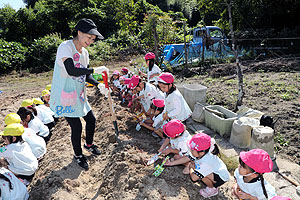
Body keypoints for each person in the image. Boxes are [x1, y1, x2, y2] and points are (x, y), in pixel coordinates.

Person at [49, 18, 109, 170]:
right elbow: (71, 70)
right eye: (89, 37)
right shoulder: (66, 47)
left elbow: (86, 75)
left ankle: (88, 144)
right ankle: (78, 155)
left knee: (91, 120)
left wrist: (98, 84)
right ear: (79, 32)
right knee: (76, 127)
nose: (91, 41)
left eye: (93, 39)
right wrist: (95, 70)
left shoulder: (85, 53)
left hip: (79, 94)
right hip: (65, 94)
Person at [186, 132, 230, 198]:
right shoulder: (204, 151)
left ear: (201, 153)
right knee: (201, 172)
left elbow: (194, 178)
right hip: (216, 170)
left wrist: (191, 168)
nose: (190, 151)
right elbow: (190, 157)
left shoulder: (206, 163)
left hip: (221, 177)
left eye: (192, 150)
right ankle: (210, 182)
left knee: (202, 176)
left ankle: (212, 189)